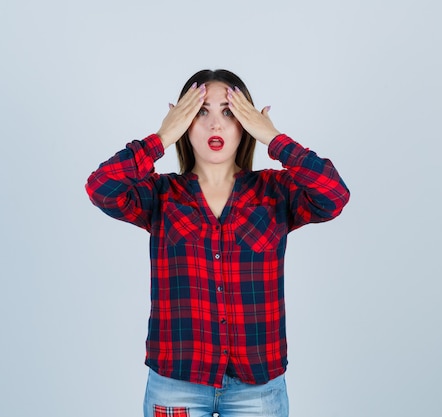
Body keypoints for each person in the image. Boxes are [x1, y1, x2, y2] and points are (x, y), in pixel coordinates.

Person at [85, 69, 350, 417]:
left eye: (228, 112)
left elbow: (334, 195)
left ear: (247, 120)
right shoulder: (161, 195)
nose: (215, 126)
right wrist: (161, 137)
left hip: (257, 388)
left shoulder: (274, 192)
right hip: (176, 383)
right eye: (200, 112)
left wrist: (274, 139)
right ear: (182, 120)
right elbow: (101, 187)